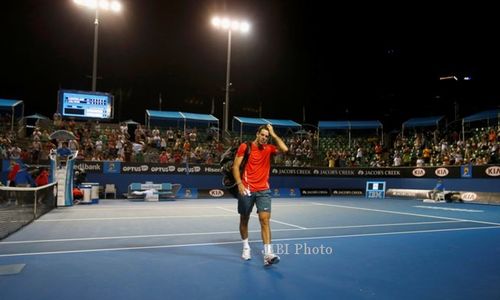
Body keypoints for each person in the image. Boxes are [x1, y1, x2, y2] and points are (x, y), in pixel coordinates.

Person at [232, 124, 288, 266]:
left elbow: (285, 149)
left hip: (263, 190)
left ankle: (268, 254)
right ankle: (246, 247)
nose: (264, 138)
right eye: (262, 135)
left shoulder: (269, 149)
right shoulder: (246, 146)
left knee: (265, 220)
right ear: (257, 134)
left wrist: (273, 134)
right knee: (244, 219)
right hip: (247, 189)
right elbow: (235, 166)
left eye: (266, 136)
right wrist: (239, 183)